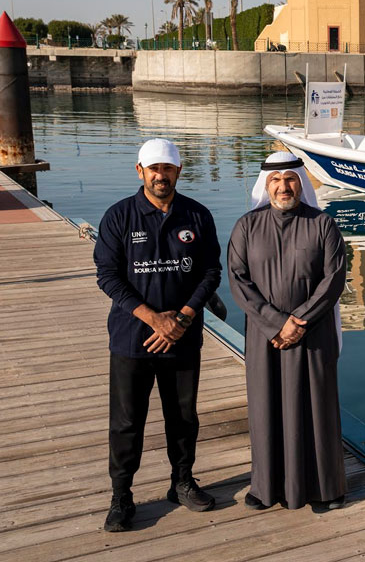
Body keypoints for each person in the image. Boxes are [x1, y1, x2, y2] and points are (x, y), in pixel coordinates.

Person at [94, 138, 221, 532]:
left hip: (183, 336)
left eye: (167, 168)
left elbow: (211, 273)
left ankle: (181, 482)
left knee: (182, 416)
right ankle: (121, 495)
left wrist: (180, 320)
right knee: (126, 421)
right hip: (132, 339)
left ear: (178, 171)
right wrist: (152, 318)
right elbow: (108, 276)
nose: (160, 175)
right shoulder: (119, 217)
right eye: (153, 169)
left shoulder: (197, 216)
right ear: (140, 171)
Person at [228, 151, 349, 513]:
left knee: (317, 408)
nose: (284, 187)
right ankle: (266, 487)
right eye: (276, 181)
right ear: (266, 186)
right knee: (266, 407)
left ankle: (324, 489)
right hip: (267, 337)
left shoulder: (323, 224)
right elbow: (238, 279)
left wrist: (299, 320)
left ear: (302, 182)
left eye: (291, 179)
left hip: (313, 335)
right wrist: (276, 322)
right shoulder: (247, 226)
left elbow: (334, 279)